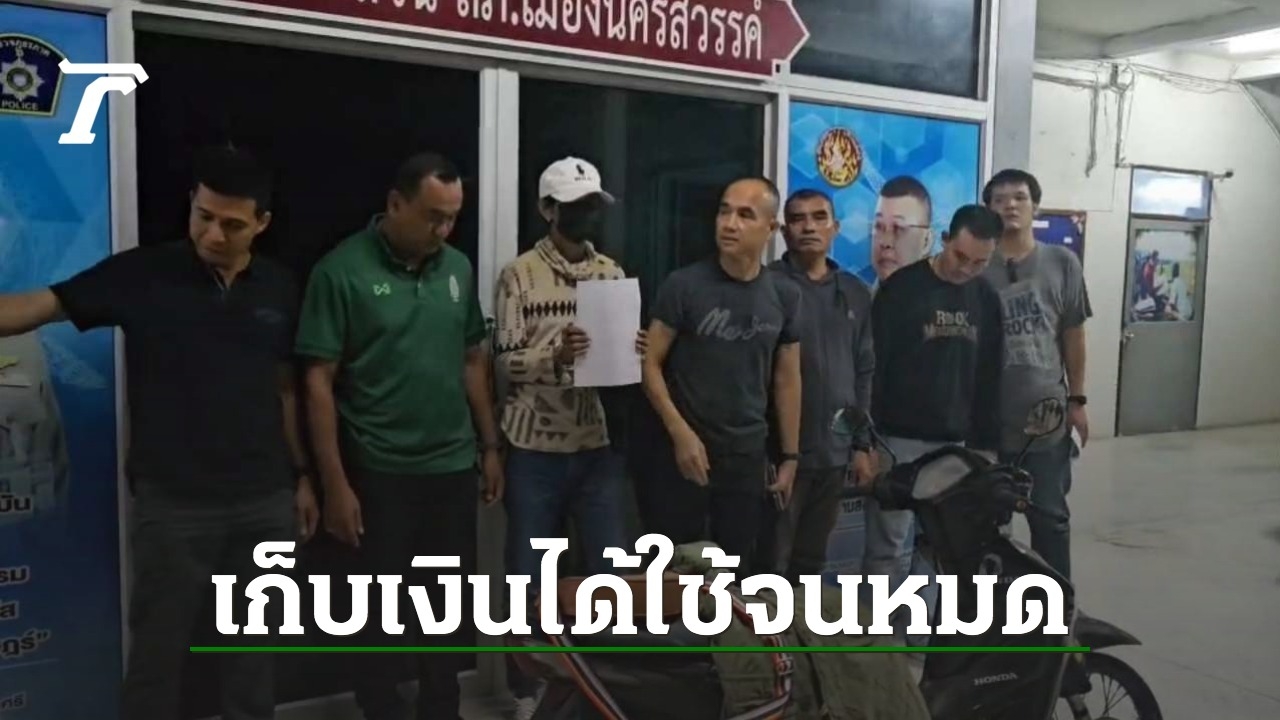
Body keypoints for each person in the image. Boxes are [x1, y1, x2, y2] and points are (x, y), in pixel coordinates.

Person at [0, 145, 319, 720]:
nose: (213, 234)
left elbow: (285, 389)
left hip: (263, 500)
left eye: (232, 224)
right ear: (191, 203)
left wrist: (301, 477)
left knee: (253, 656)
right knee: (158, 654)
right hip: (175, 505)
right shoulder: (144, 274)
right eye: (203, 215)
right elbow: (38, 306)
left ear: (262, 223)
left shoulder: (278, 286)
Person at [295, 151, 503, 720]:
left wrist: (489, 445)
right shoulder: (340, 271)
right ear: (394, 203)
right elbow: (317, 382)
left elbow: (471, 360)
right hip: (378, 470)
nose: (444, 230)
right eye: (433, 216)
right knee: (379, 613)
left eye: (453, 217)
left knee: (444, 607)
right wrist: (334, 485)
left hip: (450, 466)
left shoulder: (457, 268)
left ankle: (442, 708)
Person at [493, 157, 646, 718]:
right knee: (530, 575)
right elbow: (504, 360)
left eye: (593, 205)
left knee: (610, 571)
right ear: (548, 209)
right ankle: (527, 688)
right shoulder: (519, 274)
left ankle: (605, 680)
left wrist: (634, 352)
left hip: (594, 442)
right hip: (533, 446)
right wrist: (554, 356)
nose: (587, 214)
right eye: (576, 205)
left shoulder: (610, 272)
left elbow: (619, 362)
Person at [639, 176, 802, 568]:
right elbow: (649, 363)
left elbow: (787, 378)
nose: (730, 224)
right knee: (675, 571)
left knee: (738, 569)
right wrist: (680, 433)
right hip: (683, 451)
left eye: (745, 215)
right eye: (724, 212)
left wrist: (790, 456)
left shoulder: (783, 294)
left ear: (770, 229)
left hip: (746, 454)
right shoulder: (685, 285)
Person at [863, 203, 1005, 648]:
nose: (967, 269)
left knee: (939, 548)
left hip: (957, 446)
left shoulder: (986, 298)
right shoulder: (901, 290)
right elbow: (873, 369)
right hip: (898, 439)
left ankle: (919, 640)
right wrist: (867, 440)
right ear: (944, 239)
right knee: (888, 548)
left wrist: (986, 447)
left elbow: (990, 376)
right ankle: (879, 645)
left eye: (979, 262)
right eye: (961, 257)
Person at [982, 168, 1091, 581]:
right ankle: (992, 611)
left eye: (1019, 197)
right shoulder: (978, 265)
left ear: (1035, 207)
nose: (1010, 205)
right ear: (988, 210)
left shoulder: (1061, 263)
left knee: (1050, 520)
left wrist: (1077, 400)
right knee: (987, 527)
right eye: (999, 199)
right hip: (987, 425)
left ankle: (1056, 606)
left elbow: (1073, 334)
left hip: (1046, 421)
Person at [765, 188, 875, 582]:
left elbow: (863, 369)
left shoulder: (855, 291)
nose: (808, 227)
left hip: (834, 452)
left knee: (811, 562)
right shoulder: (767, 286)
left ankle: (802, 624)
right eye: (797, 219)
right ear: (783, 231)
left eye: (818, 217)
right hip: (780, 452)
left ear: (835, 228)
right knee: (771, 560)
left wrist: (860, 444)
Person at [870, 176, 934, 288]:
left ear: (926, 241)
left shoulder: (945, 298)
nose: (885, 242)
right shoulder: (855, 295)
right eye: (878, 226)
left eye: (898, 228)